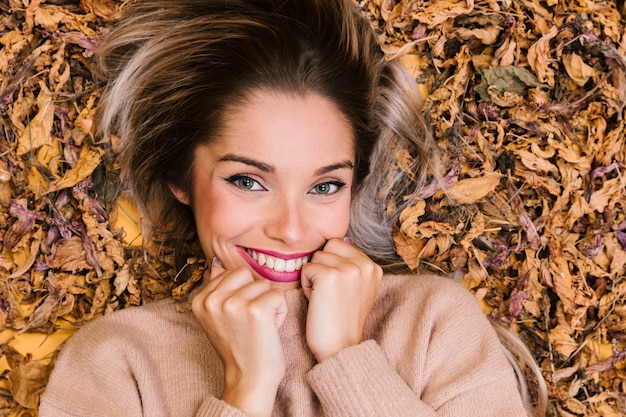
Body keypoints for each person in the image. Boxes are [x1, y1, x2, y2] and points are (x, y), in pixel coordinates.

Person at [39, 0, 544, 415]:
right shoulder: (116, 362)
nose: (292, 228)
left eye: (325, 186)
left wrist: (348, 359)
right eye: (248, 180)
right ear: (181, 180)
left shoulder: (431, 322)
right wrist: (245, 388)